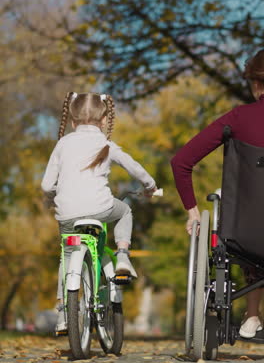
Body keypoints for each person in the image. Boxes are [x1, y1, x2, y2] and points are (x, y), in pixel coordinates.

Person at [41, 92, 157, 332]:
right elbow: (134, 167)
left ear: (73, 121)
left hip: (67, 215)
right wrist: (150, 186)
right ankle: (123, 255)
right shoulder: (106, 144)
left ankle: (63, 312)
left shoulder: (62, 144)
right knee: (125, 211)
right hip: (102, 209)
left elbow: (46, 185)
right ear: (104, 119)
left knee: (66, 255)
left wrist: (52, 199)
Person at [171, 49, 264, 339]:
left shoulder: (238, 118)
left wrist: (193, 211)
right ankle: (252, 314)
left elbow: (181, 162)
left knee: (253, 226)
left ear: (256, 84)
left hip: (246, 234)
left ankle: (252, 315)